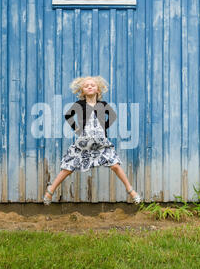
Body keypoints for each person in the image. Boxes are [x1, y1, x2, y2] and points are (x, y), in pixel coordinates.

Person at [43, 76, 141, 205]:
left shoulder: (103, 105)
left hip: (101, 143)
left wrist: (104, 128)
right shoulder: (79, 105)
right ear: (82, 91)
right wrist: (76, 129)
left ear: (98, 90)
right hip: (84, 143)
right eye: (86, 86)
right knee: (68, 168)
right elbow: (68, 115)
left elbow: (113, 116)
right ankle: (50, 191)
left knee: (115, 165)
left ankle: (131, 191)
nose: (90, 87)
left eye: (92, 85)